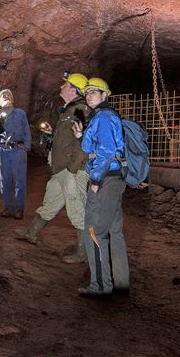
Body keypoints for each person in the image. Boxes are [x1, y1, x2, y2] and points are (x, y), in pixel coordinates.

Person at [22, 72, 90, 262]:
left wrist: (72, 169)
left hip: (73, 171)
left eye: (65, 85)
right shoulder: (69, 110)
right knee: (50, 201)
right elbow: (68, 140)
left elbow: (84, 143)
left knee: (77, 208)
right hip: (62, 170)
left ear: (75, 90)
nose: (61, 87)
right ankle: (32, 232)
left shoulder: (80, 110)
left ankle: (83, 252)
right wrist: (53, 134)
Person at [74, 77, 128, 297]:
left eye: (95, 92)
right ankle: (121, 283)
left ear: (105, 95)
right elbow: (98, 147)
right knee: (114, 232)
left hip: (105, 180)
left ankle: (100, 285)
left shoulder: (104, 117)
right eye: (87, 92)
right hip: (114, 179)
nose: (89, 95)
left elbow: (105, 153)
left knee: (93, 231)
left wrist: (95, 181)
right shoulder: (104, 116)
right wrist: (81, 136)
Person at [0, 88, 31, 218]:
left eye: (8, 95)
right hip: (3, 151)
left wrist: (26, 146)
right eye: (2, 95)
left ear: (12, 99)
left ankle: (19, 209)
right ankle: (8, 207)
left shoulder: (20, 113)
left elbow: (26, 130)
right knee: (4, 180)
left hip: (18, 149)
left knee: (19, 180)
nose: (6, 96)